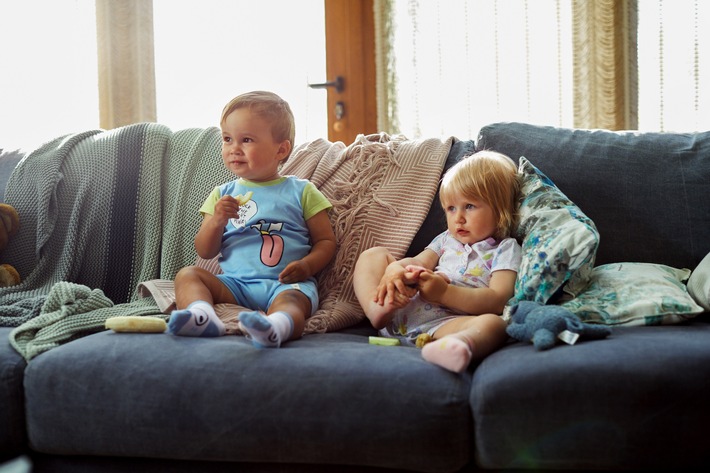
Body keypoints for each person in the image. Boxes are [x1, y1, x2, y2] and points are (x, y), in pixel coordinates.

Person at [168, 91, 337, 348]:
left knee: (293, 303)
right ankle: (201, 316)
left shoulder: (302, 191)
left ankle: (275, 327)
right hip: (235, 284)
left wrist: (307, 266)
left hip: (285, 284)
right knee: (188, 275)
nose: (234, 149)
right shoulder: (221, 194)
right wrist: (216, 221)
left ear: (281, 149)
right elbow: (205, 250)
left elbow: (326, 241)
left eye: (246, 140)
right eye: (227, 139)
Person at [353, 150, 522, 372]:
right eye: (451, 208)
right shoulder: (446, 239)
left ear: (501, 211)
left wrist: (444, 293)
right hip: (401, 309)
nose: (458, 218)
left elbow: (497, 300)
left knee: (494, 325)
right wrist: (396, 271)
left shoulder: (506, 248)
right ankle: (378, 308)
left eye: (469, 206)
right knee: (373, 254)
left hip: (444, 325)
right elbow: (418, 261)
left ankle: (455, 347)